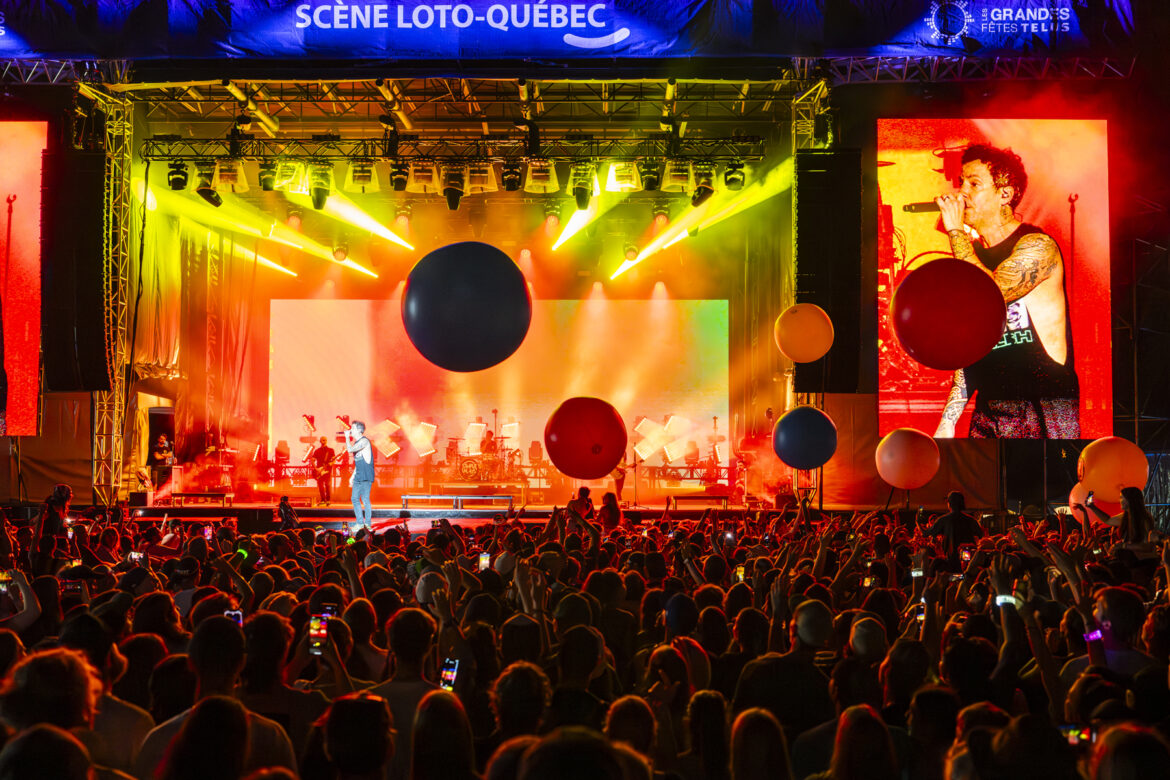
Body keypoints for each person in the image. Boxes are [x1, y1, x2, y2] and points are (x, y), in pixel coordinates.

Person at [933, 143, 1079, 439]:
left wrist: (955, 232)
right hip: (991, 408)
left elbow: (990, 295)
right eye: (961, 182)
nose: (962, 192)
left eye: (974, 184)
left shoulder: (1037, 246)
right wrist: (949, 419)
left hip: (1044, 406)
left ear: (1005, 194)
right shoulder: (972, 256)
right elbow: (970, 343)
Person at [923, 492, 985, 565]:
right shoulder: (971, 520)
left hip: (951, 558)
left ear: (950, 504)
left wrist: (918, 522)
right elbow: (981, 535)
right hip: (967, 557)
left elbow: (926, 533)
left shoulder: (944, 520)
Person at [344, 421, 376, 530]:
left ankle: (367, 525)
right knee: (354, 498)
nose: (350, 430)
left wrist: (347, 437)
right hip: (358, 475)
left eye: (353, 428)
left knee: (365, 499)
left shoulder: (365, 441)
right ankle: (359, 523)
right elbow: (358, 462)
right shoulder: (357, 443)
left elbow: (349, 450)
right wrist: (352, 476)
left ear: (359, 430)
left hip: (366, 476)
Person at [312, 436, 336, 506]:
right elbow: (312, 460)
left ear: (326, 441)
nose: (324, 441)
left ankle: (328, 500)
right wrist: (316, 468)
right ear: (320, 441)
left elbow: (334, 460)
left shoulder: (331, 450)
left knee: (327, 485)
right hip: (320, 471)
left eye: (325, 440)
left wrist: (331, 463)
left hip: (327, 470)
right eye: (322, 440)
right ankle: (323, 500)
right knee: (320, 485)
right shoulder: (317, 451)